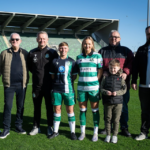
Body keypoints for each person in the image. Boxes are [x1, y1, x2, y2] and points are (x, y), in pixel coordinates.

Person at [98, 30, 134, 137]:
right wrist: (102, 70)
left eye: (116, 37)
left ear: (120, 38)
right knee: (107, 107)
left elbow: (132, 63)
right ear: (108, 38)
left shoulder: (126, 51)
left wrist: (126, 72)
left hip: (121, 86)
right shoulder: (102, 51)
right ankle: (107, 127)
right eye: (112, 37)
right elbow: (97, 64)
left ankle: (124, 127)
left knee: (123, 107)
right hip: (107, 86)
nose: (114, 39)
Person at [27, 31, 58, 136]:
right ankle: (36, 127)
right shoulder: (32, 53)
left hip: (49, 86)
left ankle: (49, 126)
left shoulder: (53, 53)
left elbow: (56, 68)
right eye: (40, 38)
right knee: (36, 107)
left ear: (47, 40)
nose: (42, 40)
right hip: (36, 86)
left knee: (49, 107)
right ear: (37, 39)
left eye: (44, 38)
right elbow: (30, 68)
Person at [0, 33, 28, 139]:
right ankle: (6, 128)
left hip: (22, 85)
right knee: (8, 106)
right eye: (12, 39)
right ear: (10, 41)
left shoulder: (25, 53)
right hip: (9, 85)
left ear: (20, 41)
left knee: (20, 107)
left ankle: (18, 126)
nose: (14, 41)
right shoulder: (4, 53)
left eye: (16, 39)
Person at [48, 42, 78, 140]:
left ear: (68, 49)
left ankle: (72, 132)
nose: (63, 50)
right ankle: (55, 131)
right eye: (61, 48)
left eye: (65, 48)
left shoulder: (72, 62)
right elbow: (52, 76)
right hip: (56, 89)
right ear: (59, 49)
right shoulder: (54, 61)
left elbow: (74, 76)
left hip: (68, 89)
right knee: (57, 110)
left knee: (70, 110)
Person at [76, 36, 103, 142]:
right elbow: (78, 71)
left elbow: (100, 70)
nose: (87, 45)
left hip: (93, 88)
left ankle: (95, 133)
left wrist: (95, 80)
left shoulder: (98, 56)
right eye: (85, 43)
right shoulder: (79, 57)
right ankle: (82, 132)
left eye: (89, 43)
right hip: (81, 88)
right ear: (82, 45)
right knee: (82, 110)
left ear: (92, 45)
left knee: (95, 110)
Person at [101, 59, 127, 143]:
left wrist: (117, 93)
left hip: (118, 102)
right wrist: (106, 92)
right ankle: (108, 135)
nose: (113, 70)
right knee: (108, 119)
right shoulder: (105, 77)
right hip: (107, 102)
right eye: (111, 68)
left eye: (115, 68)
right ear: (108, 68)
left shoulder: (121, 78)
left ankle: (115, 136)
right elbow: (101, 88)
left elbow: (124, 89)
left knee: (116, 120)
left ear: (119, 68)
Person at [131, 26, 150, 141]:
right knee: (145, 111)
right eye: (148, 34)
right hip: (144, 86)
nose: (149, 36)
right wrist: (134, 80)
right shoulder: (141, 49)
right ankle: (144, 132)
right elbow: (135, 67)